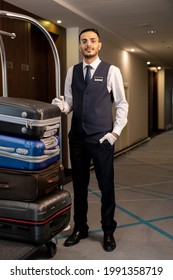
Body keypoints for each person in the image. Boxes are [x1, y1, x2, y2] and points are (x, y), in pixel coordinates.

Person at [52, 28, 128, 252]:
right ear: (79, 46)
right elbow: (70, 104)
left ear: (99, 45)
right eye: (84, 41)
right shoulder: (72, 71)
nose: (88, 44)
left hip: (102, 138)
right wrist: (61, 105)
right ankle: (80, 227)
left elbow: (122, 104)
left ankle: (108, 231)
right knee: (79, 185)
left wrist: (115, 133)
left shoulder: (111, 70)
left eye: (92, 41)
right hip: (77, 138)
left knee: (106, 186)